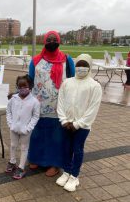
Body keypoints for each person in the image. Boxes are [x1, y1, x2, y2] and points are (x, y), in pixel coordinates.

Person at [27, 30, 75, 177]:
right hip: (39, 106)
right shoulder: (35, 60)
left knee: (56, 136)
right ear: (45, 42)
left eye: (55, 39)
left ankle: (54, 164)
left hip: (58, 107)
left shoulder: (67, 60)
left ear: (59, 41)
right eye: (49, 39)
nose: (52, 42)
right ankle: (36, 159)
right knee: (38, 134)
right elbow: (29, 81)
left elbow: (72, 81)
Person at [56, 54, 102, 191]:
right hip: (66, 123)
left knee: (77, 149)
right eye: (79, 65)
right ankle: (66, 171)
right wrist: (64, 120)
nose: (81, 68)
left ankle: (74, 176)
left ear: (89, 67)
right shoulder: (67, 82)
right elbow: (61, 102)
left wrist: (77, 124)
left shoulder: (94, 86)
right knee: (66, 148)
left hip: (82, 126)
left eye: (85, 66)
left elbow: (92, 109)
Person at [6, 75, 40, 179]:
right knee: (12, 145)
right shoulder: (13, 99)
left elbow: (35, 116)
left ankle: (21, 167)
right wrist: (10, 124)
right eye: (19, 87)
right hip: (14, 128)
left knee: (24, 148)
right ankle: (12, 162)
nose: (22, 89)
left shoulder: (34, 101)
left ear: (30, 86)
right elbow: (8, 111)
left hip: (26, 130)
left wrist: (29, 128)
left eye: (24, 86)